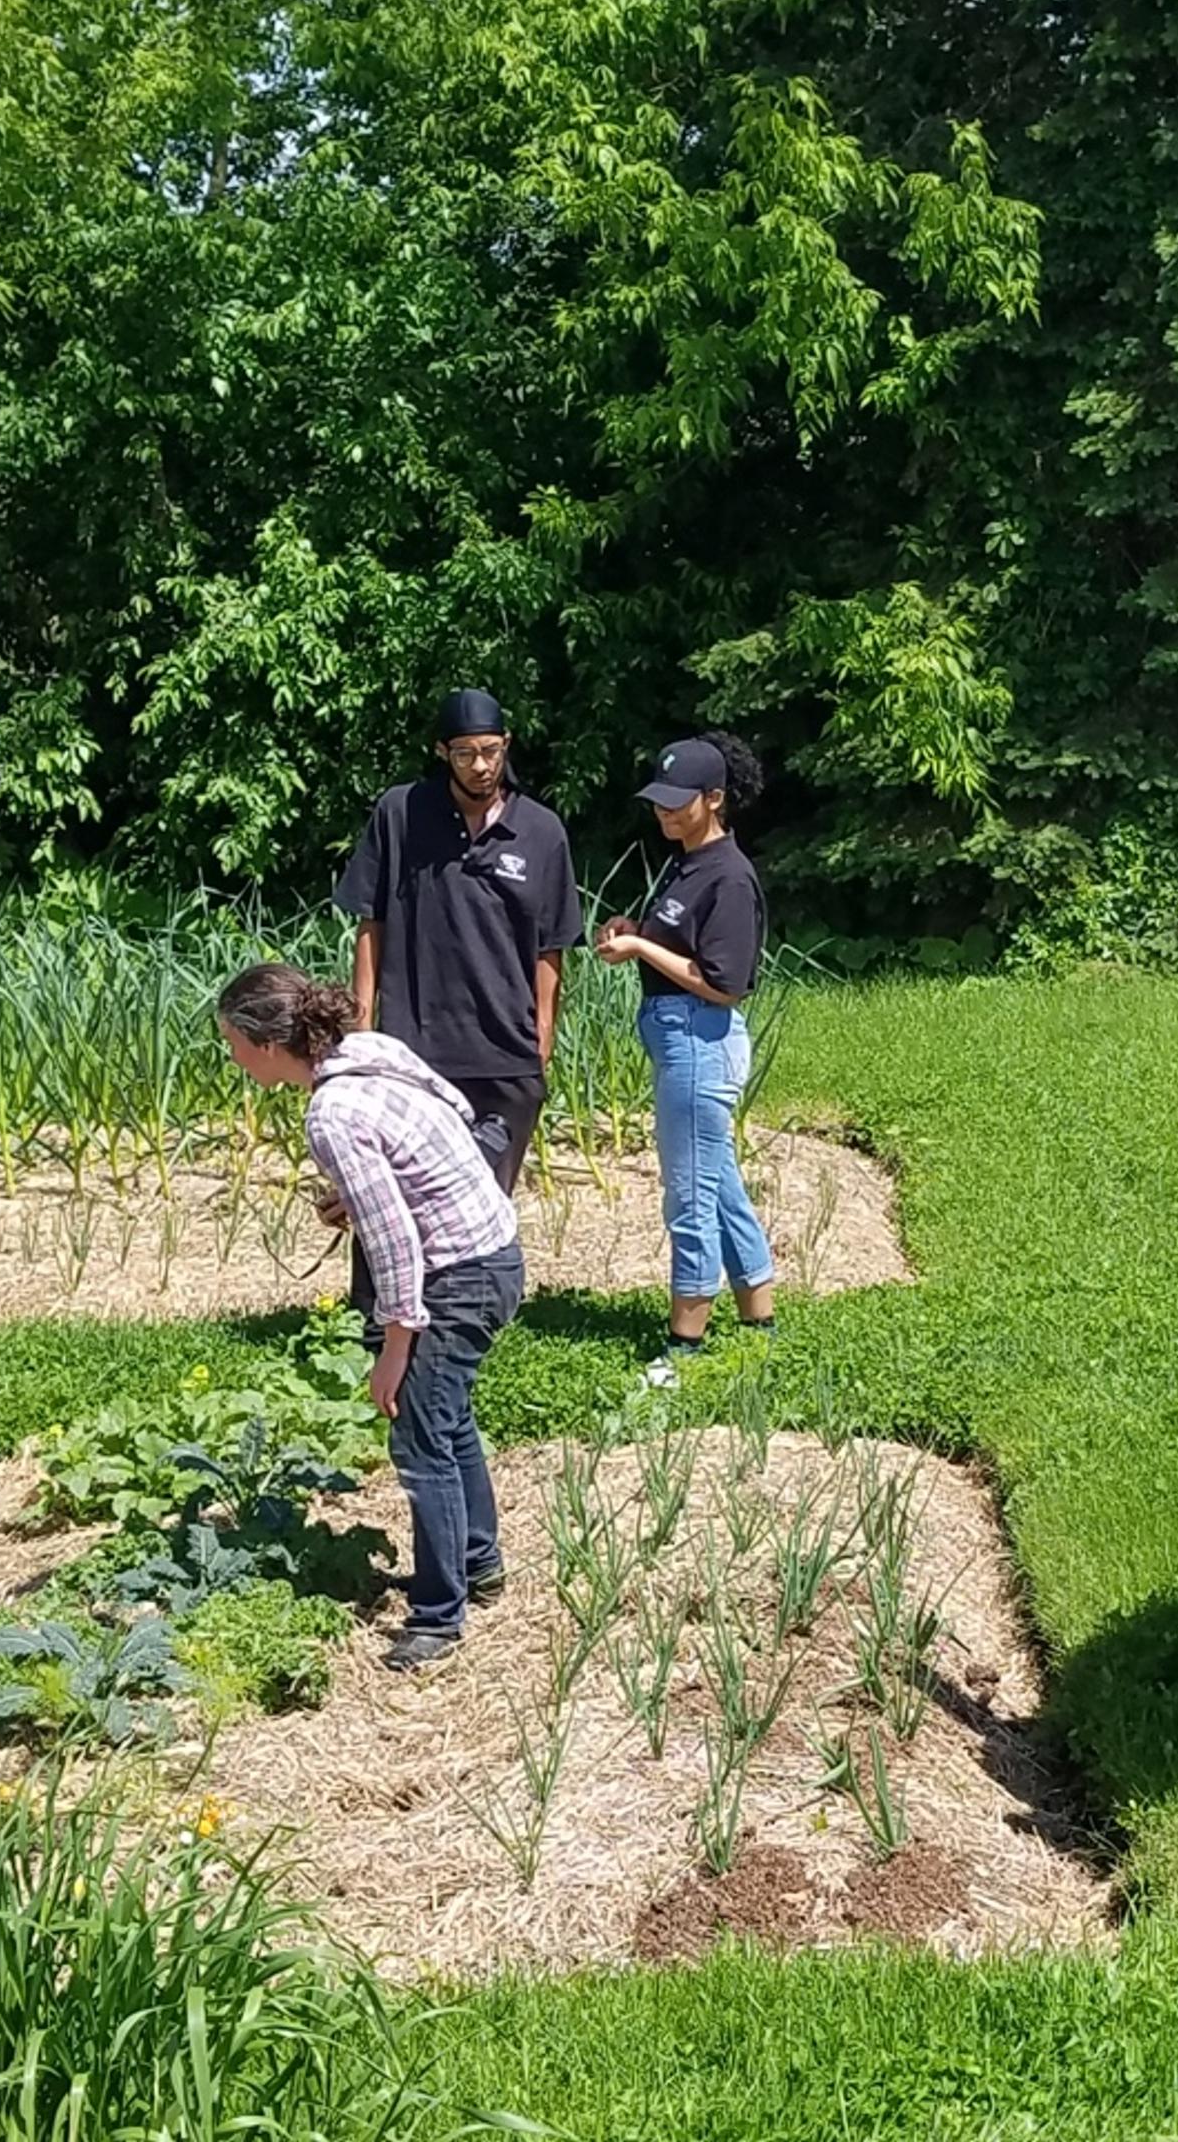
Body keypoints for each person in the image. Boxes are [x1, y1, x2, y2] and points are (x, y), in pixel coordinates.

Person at [214, 960, 525, 1672]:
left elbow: (393, 1242)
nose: (232, 1057)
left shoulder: (332, 1113)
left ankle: (438, 1618)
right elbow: (452, 1112)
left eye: (233, 1042)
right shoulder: (371, 1049)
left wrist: (394, 1344)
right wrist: (360, 1197)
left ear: (266, 1044)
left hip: (458, 1278)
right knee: (446, 1420)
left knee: (419, 1442)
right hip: (496, 1249)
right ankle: (479, 1564)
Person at [331, 687, 581, 1195]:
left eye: (491, 750)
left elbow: (550, 943)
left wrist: (544, 1029)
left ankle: (489, 1279)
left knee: (487, 1202)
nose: (480, 766)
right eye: (465, 753)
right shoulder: (400, 814)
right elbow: (370, 923)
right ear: (442, 751)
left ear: (506, 745)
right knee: (411, 1195)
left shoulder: (541, 831)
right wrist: (361, 1022)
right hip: (415, 1047)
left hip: (506, 1050)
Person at [596, 731, 774, 1382]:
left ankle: (685, 1350)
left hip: (701, 1037)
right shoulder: (686, 862)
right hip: (680, 1038)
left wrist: (643, 952)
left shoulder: (728, 875)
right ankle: (760, 1325)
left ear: (714, 799)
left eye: (679, 803)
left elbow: (724, 983)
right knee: (720, 1187)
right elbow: (680, 940)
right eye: (659, 803)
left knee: (690, 1199)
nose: (666, 814)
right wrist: (635, 930)